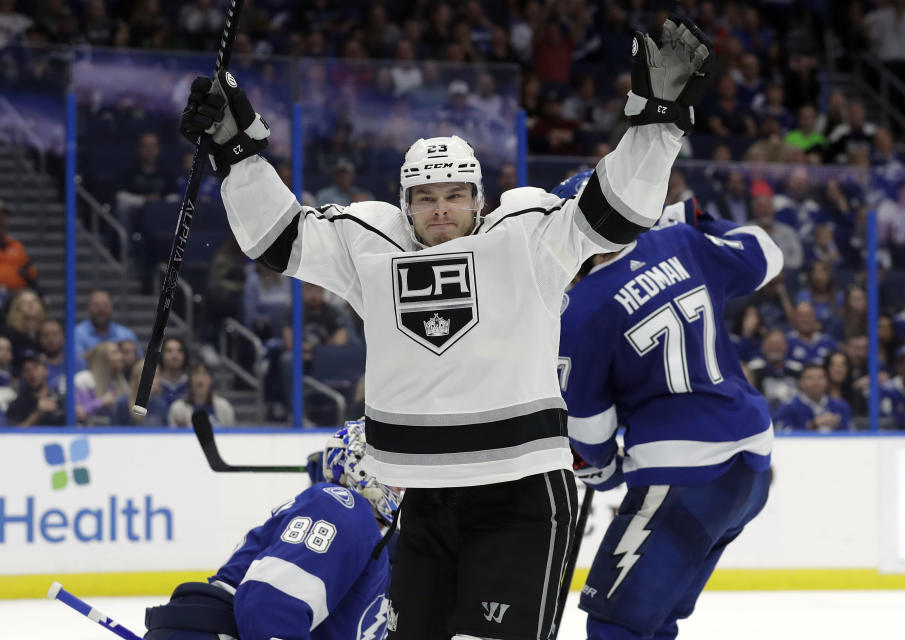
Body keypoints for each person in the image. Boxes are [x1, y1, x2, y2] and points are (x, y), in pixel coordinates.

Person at [179, 17, 715, 640]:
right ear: (405, 204)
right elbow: (278, 239)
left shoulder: (527, 237)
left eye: (454, 195)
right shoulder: (372, 248)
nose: (440, 209)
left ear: (479, 199)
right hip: (423, 501)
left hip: (519, 498)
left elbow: (615, 212)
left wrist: (658, 121)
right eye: (425, 197)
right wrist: (236, 151)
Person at [557, 189, 780, 640]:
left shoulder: (580, 310)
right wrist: (697, 218)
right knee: (656, 621)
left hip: (680, 475)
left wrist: (601, 469)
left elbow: (587, 427)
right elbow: (766, 254)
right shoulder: (681, 240)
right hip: (750, 469)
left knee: (614, 623)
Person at [144, 420, 398, 640]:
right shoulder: (343, 507)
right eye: (395, 469)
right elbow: (270, 604)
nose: (402, 484)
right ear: (363, 469)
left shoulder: (362, 533)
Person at [774, 363, 853, 432]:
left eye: (821, 377)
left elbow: (852, 433)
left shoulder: (840, 406)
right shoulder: (788, 407)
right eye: (810, 378)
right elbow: (782, 434)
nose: (816, 382)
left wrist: (838, 424)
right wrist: (812, 425)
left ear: (827, 381)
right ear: (800, 383)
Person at [74, 289, 140, 363]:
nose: (101, 310)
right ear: (88, 307)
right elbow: (75, 363)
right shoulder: (76, 334)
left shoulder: (127, 335)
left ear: (111, 307)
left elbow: (138, 364)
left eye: (104, 305)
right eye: (96, 305)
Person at [74, 341, 129, 425]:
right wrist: (101, 402)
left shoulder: (120, 381)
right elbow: (79, 411)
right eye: (115, 352)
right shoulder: (84, 379)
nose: (121, 356)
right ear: (102, 357)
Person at [6, 350, 65, 426]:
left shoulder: (62, 400)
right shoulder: (16, 405)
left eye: (36, 367)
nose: (32, 374)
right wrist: (37, 414)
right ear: (22, 376)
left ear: (46, 370)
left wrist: (78, 414)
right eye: (26, 370)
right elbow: (11, 435)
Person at [168, 361, 235, 427]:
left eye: (204, 374)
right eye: (196, 374)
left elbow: (230, 435)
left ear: (211, 379)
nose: (200, 379)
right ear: (190, 380)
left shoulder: (224, 407)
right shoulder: (178, 408)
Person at [0, 201, 38, 297]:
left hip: (16, 296)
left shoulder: (16, 245)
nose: (1, 220)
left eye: (3, 216)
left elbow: (32, 275)